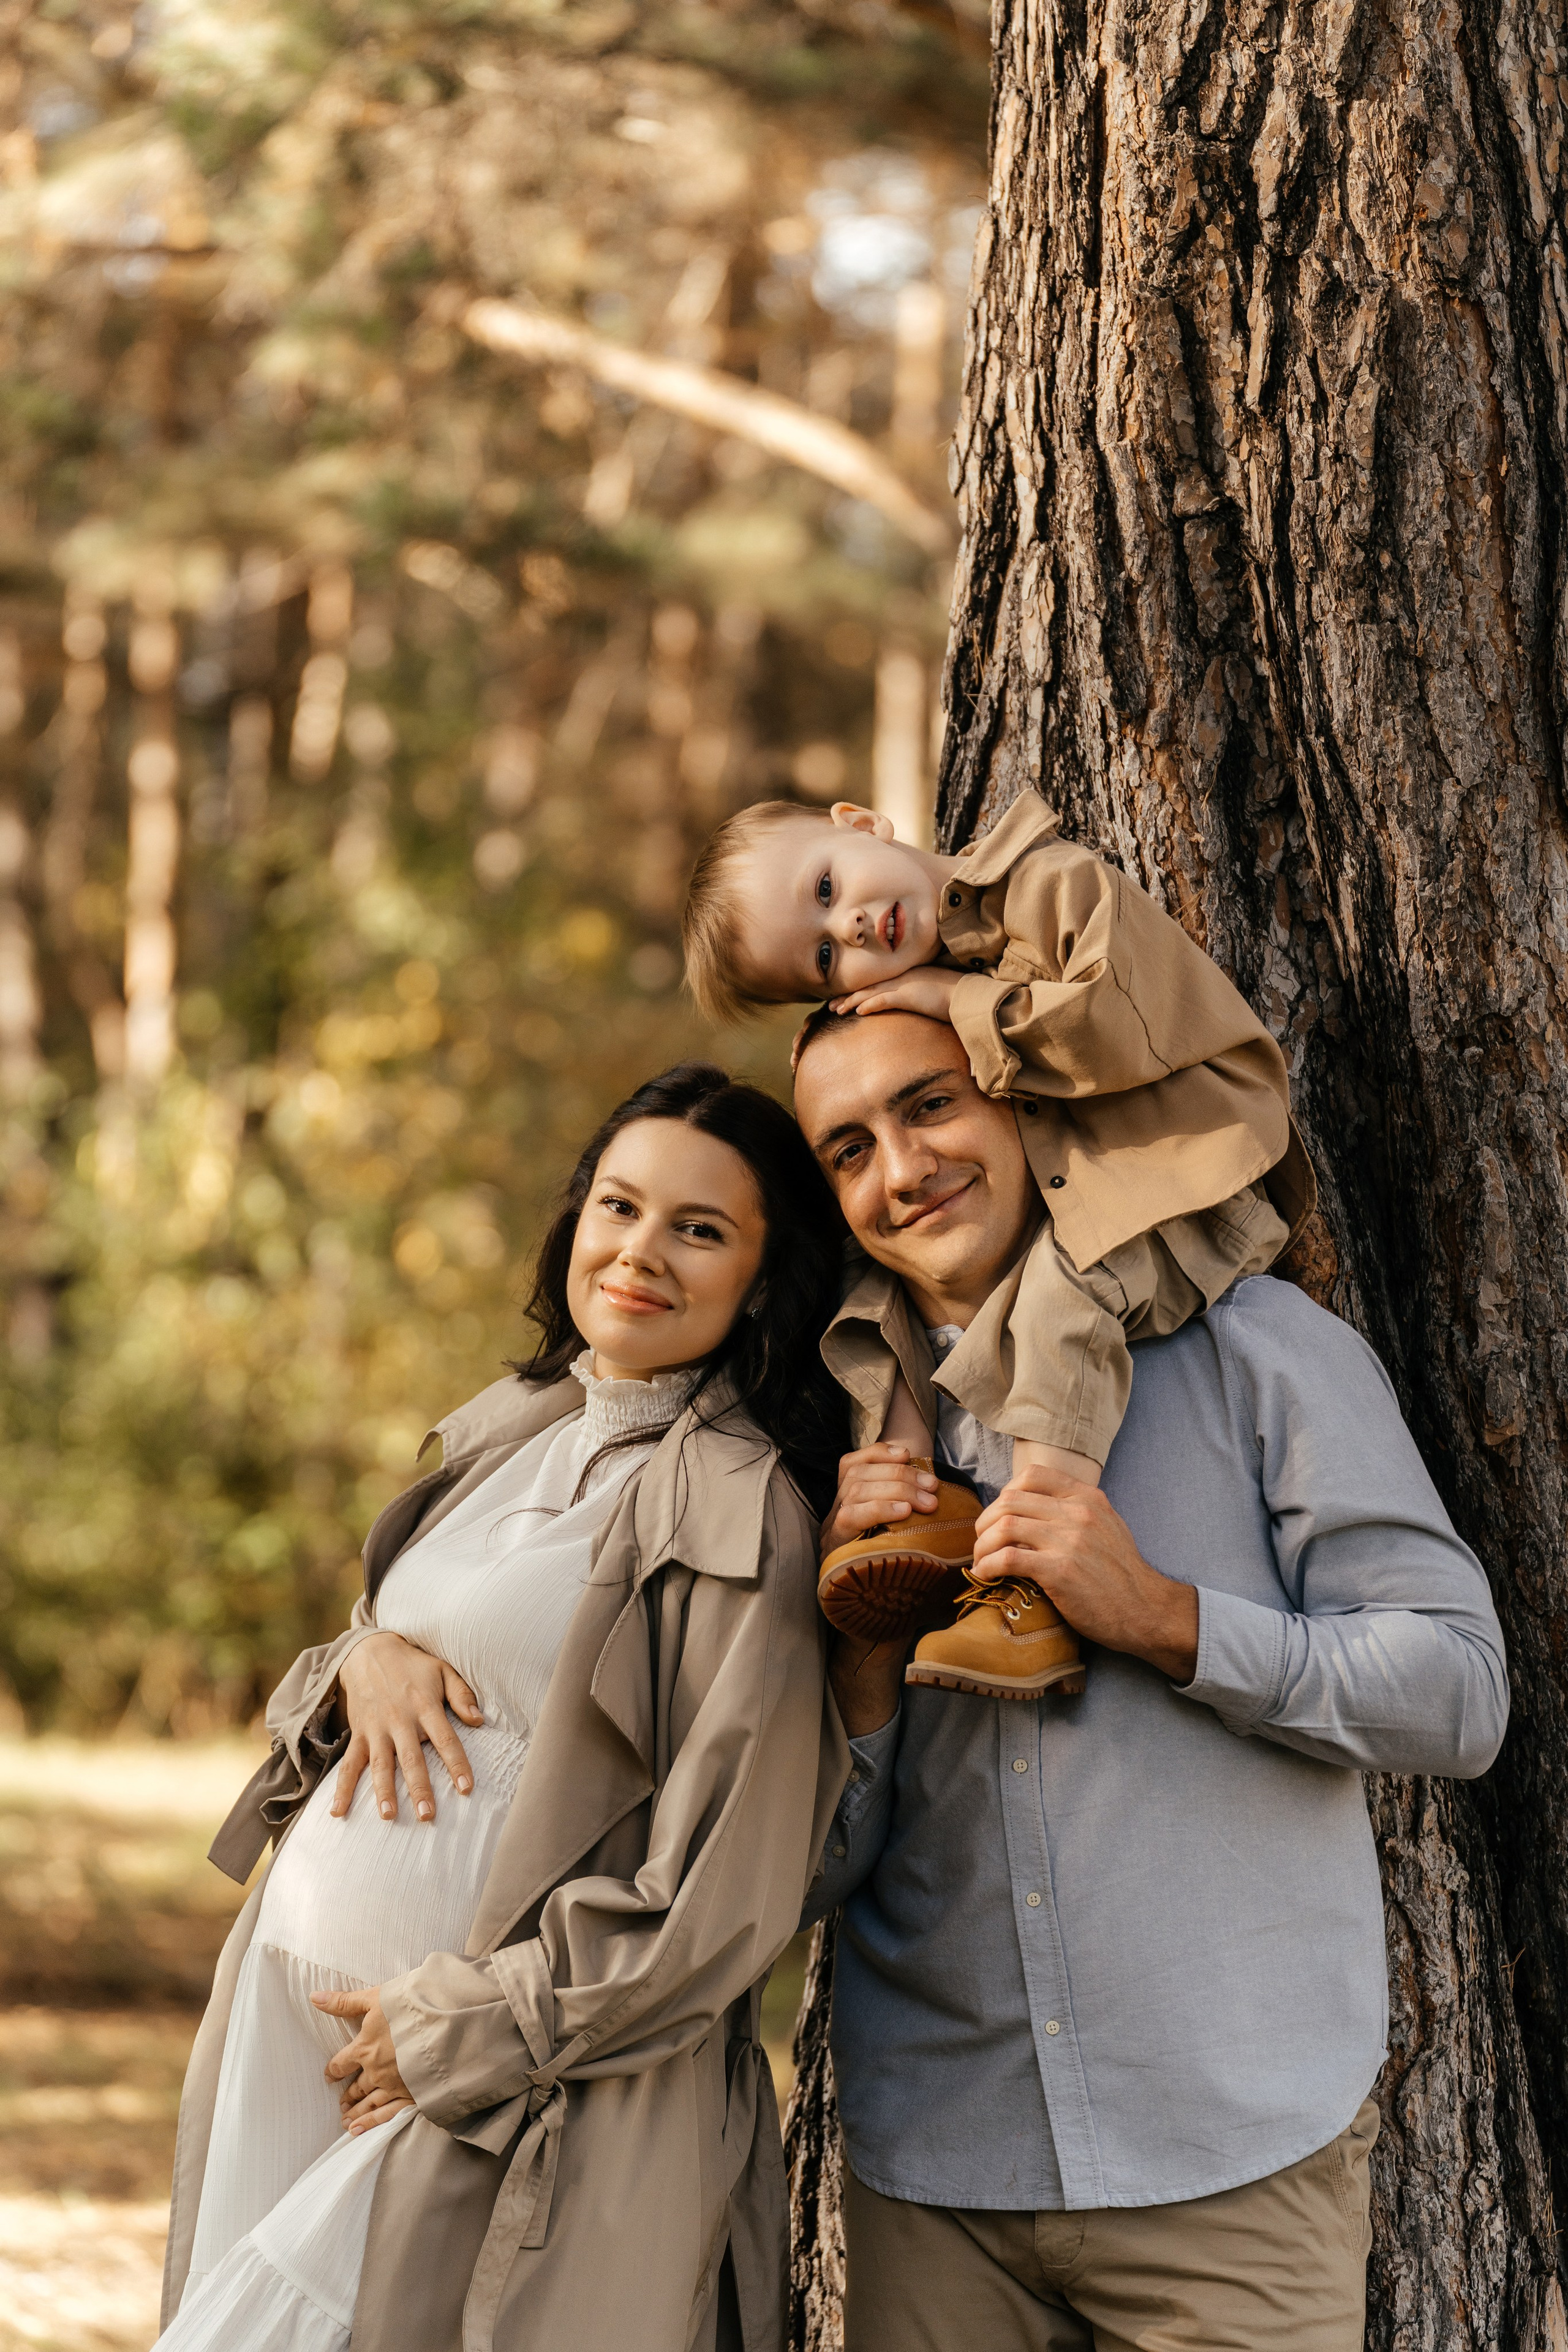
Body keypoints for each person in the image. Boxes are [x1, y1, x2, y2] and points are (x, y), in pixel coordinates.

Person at [791, 1006, 1509, 2351]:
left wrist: (1161, 1616)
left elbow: (1459, 1694)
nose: (899, 1167)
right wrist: (857, 1657)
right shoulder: (837, 1440)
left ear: (1022, 1106)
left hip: (1231, 2172)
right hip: (941, 2183)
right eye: (847, 1148)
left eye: (929, 1103)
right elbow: (804, 1873)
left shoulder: (1257, 1350)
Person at [157, 1065, 853, 2352]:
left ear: (763, 1278)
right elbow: (414, 1670)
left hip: (480, 2076)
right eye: (618, 1206)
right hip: (294, 2023)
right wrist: (360, 1656)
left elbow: (720, 1896)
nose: (640, 1251)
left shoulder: (741, 1515)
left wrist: (468, 2027)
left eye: (697, 1230)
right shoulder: (514, 1429)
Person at [681, 792, 1314, 1698]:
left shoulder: (1047, 884)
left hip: (1188, 1159)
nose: (852, 925)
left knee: (1066, 1294)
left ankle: (1033, 1578)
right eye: (825, 957)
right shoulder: (919, 968)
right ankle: (912, 1497)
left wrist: (952, 997)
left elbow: (1108, 1027)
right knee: (867, 1273)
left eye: (827, 885)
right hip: (1094, 1167)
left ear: (860, 822)